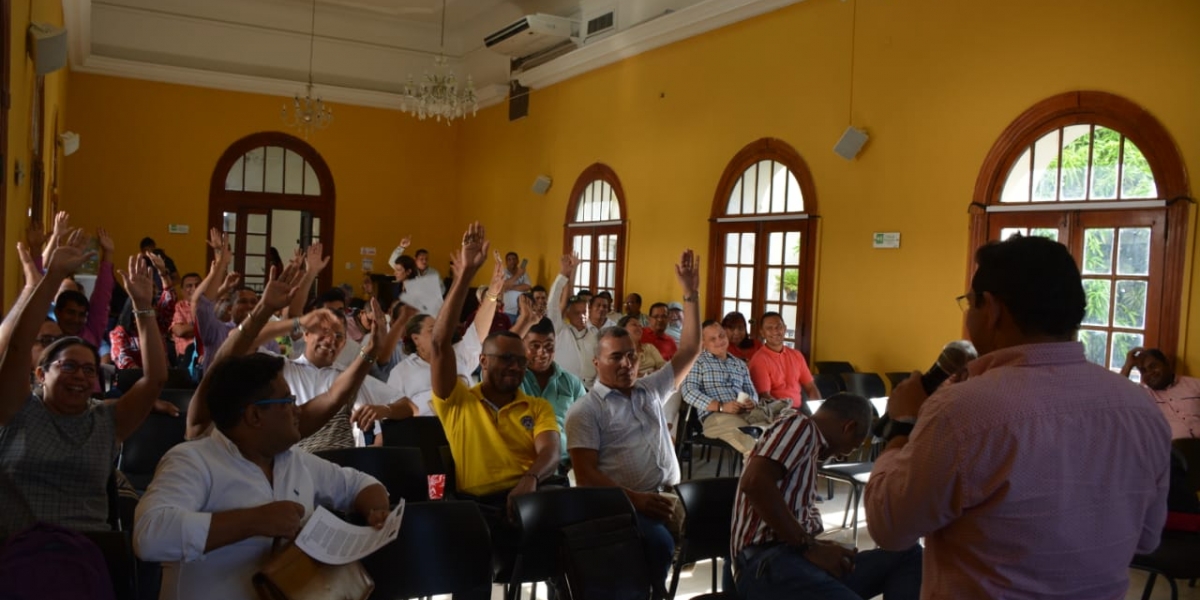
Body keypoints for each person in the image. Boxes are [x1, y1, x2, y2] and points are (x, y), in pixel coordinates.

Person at [865, 235, 1171, 598]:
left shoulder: (963, 409)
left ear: (992, 309)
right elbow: (1148, 537)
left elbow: (890, 527)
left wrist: (903, 424)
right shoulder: (1140, 408)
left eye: (969, 303)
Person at [133, 353, 390, 600]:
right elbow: (150, 535)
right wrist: (254, 521)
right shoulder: (192, 461)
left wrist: (375, 509)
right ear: (254, 415)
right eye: (288, 402)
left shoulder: (293, 460)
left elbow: (359, 484)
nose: (298, 411)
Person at [1, 237, 167, 539]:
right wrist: (50, 278)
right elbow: (17, 347)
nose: (80, 376)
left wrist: (143, 307)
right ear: (41, 374)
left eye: (88, 370)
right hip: (17, 556)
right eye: (68, 366)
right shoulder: (17, 410)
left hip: (84, 557)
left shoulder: (105, 422)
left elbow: (154, 379)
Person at [430, 223, 560, 587]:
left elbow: (550, 451)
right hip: (480, 507)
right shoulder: (457, 402)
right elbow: (440, 346)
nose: (516, 366)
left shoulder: (535, 407)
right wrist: (467, 276)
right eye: (505, 359)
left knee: (579, 533)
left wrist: (530, 479)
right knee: (470, 559)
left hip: (531, 494)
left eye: (520, 360)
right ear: (482, 362)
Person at [565, 249, 703, 588]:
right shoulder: (586, 410)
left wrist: (690, 294)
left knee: (724, 525)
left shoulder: (649, 389)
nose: (626, 364)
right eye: (616, 358)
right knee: (657, 546)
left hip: (669, 495)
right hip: (625, 504)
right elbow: (585, 476)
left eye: (631, 356)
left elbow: (690, 349)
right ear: (597, 363)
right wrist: (637, 499)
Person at [732, 393, 922, 600]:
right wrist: (810, 546)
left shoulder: (808, 446)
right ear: (848, 427)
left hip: (795, 557)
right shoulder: (801, 427)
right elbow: (754, 483)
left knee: (908, 554)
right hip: (768, 564)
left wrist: (819, 546)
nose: (842, 456)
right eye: (853, 446)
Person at [682, 320, 789, 455]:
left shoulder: (739, 364)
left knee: (779, 433)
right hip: (716, 417)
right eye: (712, 339)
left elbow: (751, 391)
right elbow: (688, 392)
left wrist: (751, 401)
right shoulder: (697, 362)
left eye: (721, 335)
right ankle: (756, 474)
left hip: (747, 414)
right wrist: (721, 406)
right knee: (752, 443)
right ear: (703, 342)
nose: (719, 341)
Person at [520, 317, 587, 471]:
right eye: (535, 346)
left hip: (564, 467)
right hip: (523, 467)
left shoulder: (571, 383)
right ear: (522, 345)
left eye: (549, 346)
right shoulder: (513, 380)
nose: (542, 353)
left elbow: (586, 425)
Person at [1121, 347, 1200, 439]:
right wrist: (1127, 366)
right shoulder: (1142, 395)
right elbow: (1114, 396)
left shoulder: (1195, 385)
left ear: (1166, 363)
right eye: (1143, 371)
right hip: (1169, 451)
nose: (1150, 373)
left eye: (1153, 366)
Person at [748, 312, 820, 408]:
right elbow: (764, 397)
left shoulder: (796, 355)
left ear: (785, 328)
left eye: (778, 327)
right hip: (776, 413)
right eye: (769, 328)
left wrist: (818, 411)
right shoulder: (759, 360)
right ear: (762, 333)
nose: (775, 331)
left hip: (799, 410)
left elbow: (811, 387)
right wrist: (786, 413)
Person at [547, 254, 598, 387]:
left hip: (591, 389)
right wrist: (563, 274)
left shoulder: (595, 334)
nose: (581, 316)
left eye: (584, 312)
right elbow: (552, 303)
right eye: (577, 313)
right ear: (568, 313)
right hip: (564, 388)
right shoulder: (559, 330)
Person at [501, 251, 532, 324]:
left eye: (514, 259)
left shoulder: (524, 273)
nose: (512, 261)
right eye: (509, 259)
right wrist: (518, 275)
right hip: (509, 311)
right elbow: (503, 286)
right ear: (506, 262)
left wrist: (510, 287)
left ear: (518, 261)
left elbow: (527, 287)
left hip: (523, 310)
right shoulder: (503, 273)